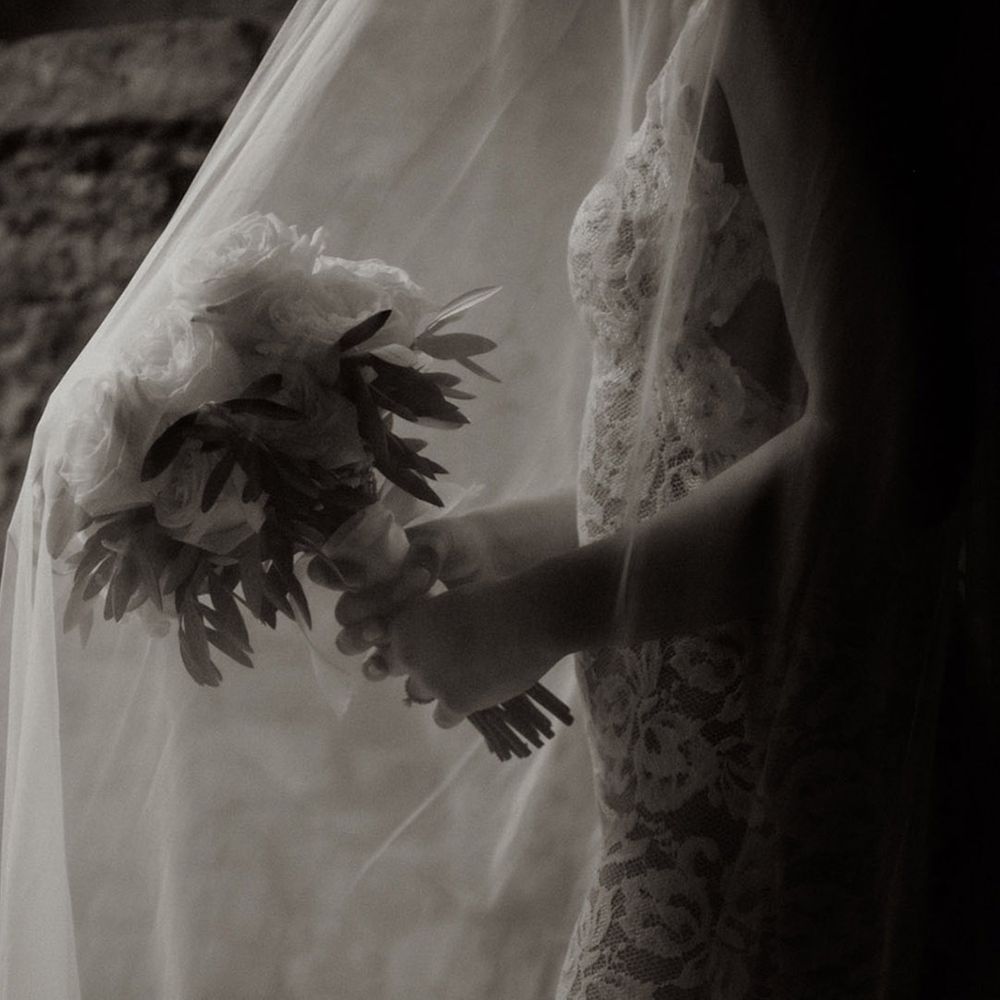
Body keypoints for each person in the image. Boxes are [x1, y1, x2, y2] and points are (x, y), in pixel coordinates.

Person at [1, 0, 995, 998]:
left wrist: (538, 616)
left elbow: (891, 448)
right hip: (674, 794)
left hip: (779, 790)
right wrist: (505, 547)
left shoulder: (790, 19)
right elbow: (729, 436)